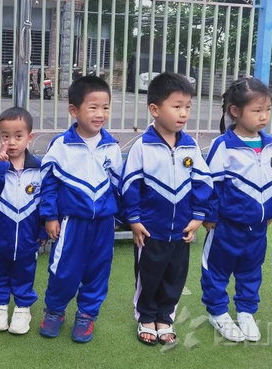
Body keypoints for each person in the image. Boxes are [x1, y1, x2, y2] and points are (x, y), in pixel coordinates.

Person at [120, 72, 213, 346]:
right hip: (151, 230)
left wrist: (198, 217)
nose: (183, 113)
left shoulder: (190, 146)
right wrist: (134, 219)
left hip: (182, 231)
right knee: (149, 276)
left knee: (175, 276)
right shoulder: (142, 146)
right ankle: (146, 317)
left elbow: (203, 182)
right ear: (155, 109)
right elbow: (130, 185)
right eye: (176, 106)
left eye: (188, 107)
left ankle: (165, 318)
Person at [38, 75, 123, 343]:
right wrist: (50, 216)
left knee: (99, 271)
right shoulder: (61, 145)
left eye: (105, 107)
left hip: (103, 225)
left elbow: (118, 186)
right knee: (63, 270)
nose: (100, 114)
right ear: (74, 110)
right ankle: (55, 310)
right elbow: (48, 183)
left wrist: (119, 217)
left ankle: (87, 315)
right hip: (72, 223)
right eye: (93, 107)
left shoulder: (112, 146)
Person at [201, 77, 272, 342]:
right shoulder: (223, 146)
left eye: (267, 109)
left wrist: (271, 210)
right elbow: (211, 185)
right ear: (235, 111)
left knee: (251, 270)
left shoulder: (271, 145)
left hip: (258, 228)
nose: (264, 116)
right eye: (257, 110)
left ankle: (246, 311)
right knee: (217, 270)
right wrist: (210, 217)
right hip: (227, 227)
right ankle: (218, 312)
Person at [0, 107, 45, 335]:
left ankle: (22, 308)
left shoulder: (39, 169)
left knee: (25, 273)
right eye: (6, 136)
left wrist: (43, 229)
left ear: (29, 137)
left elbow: (44, 202)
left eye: (18, 136)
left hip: (28, 237)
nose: (12, 142)